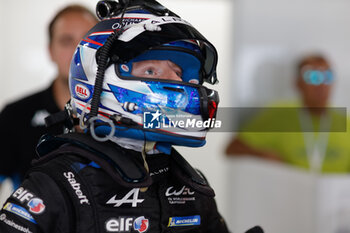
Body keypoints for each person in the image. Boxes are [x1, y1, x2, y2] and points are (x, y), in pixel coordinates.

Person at [0, 1, 230, 232]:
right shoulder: (57, 184)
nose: (174, 84)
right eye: (151, 70)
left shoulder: (192, 185)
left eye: (178, 73)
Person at [0, 4, 98, 181]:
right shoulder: (15, 115)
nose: (78, 52)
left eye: (88, 42)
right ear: (50, 51)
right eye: (67, 41)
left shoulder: (126, 114)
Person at [226, 54, 350, 173]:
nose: (322, 85)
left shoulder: (345, 122)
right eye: (313, 77)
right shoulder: (278, 116)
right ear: (298, 83)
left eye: (328, 76)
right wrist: (262, 155)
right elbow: (232, 149)